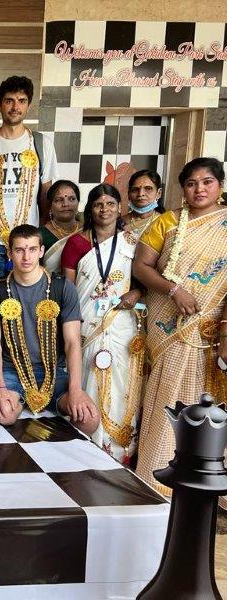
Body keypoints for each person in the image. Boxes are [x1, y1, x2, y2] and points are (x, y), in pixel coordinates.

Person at [133, 157, 227, 497]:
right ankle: (158, 480)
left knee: (210, 403)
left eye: (207, 182)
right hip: (168, 326)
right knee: (168, 399)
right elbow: (141, 267)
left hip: (213, 331)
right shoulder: (167, 222)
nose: (199, 189)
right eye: (191, 183)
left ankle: (208, 482)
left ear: (220, 185)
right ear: (182, 189)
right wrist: (174, 290)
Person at [0, 224, 100, 434]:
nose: (26, 257)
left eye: (32, 249)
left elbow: (72, 342)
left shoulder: (62, 287)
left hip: (52, 373)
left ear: (41, 251)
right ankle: (18, 400)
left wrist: (75, 390)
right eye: (19, 250)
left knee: (89, 419)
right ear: (9, 253)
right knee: (5, 413)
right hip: (12, 371)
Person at [60, 184, 144, 463]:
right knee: (87, 378)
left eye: (110, 204)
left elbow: (143, 282)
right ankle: (86, 445)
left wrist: (135, 293)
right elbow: (68, 290)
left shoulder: (132, 242)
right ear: (90, 209)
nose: (104, 209)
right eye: (98, 204)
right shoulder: (77, 243)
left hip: (122, 323)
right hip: (87, 323)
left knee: (123, 381)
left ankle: (121, 453)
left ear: (119, 208)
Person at [0, 76, 59, 275]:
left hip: (26, 243)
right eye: (9, 101)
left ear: (28, 105)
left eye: (21, 101)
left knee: (24, 294)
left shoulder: (42, 145)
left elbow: (46, 195)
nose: (15, 107)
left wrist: (40, 234)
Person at [39, 179, 82, 273]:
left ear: (78, 202)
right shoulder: (40, 235)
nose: (65, 204)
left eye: (71, 199)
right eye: (59, 200)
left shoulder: (87, 230)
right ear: (50, 205)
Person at [123, 169, 164, 242]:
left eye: (148, 189)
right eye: (135, 189)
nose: (141, 194)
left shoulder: (164, 223)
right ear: (129, 194)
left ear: (159, 193)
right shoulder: (119, 222)